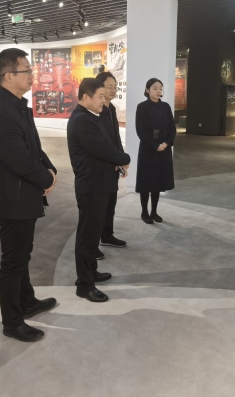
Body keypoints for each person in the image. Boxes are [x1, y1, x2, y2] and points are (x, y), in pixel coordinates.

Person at [0, 48, 58, 343]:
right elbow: (20, 160)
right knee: (13, 260)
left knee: (22, 254)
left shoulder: (15, 106)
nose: (32, 75)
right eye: (27, 70)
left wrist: (50, 168)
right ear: (9, 76)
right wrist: (45, 178)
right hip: (12, 199)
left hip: (22, 194)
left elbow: (33, 147)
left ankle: (26, 301)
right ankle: (12, 321)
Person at [67, 78, 131, 303]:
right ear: (86, 97)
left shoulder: (92, 117)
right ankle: (84, 284)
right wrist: (124, 158)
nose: (104, 100)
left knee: (93, 234)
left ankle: (91, 272)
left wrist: (118, 159)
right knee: (87, 237)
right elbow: (103, 149)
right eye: (100, 96)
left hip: (100, 184)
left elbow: (107, 146)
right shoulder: (82, 120)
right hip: (91, 186)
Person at [95, 71, 128, 258]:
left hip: (112, 166)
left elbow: (115, 138)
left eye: (115, 86)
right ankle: (93, 243)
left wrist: (121, 159)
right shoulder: (96, 112)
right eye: (109, 86)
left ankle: (107, 235)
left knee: (110, 203)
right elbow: (101, 144)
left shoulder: (112, 109)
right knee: (98, 207)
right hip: (100, 168)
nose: (113, 90)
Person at [135, 78, 176, 224]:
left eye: (160, 88)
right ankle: (144, 212)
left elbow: (172, 128)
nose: (158, 91)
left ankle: (154, 211)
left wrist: (166, 143)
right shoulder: (142, 107)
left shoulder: (165, 107)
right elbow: (141, 131)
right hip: (148, 149)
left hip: (163, 149)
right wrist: (155, 145)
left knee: (158, 182)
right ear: (147, 90)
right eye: (155, 88)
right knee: (146, 182)